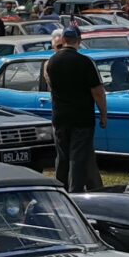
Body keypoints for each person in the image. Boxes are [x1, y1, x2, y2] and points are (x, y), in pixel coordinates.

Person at [46, 28, 106, 193]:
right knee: (78, 158)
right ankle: (75, 193)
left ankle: (59, 190)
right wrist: (103, 114)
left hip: (60, 116)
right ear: (79, 40)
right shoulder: (85, 62)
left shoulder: (52, 62)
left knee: (62, 157)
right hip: (81, 117)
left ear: (64, 39)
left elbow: (52, 88)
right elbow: (98, 92)